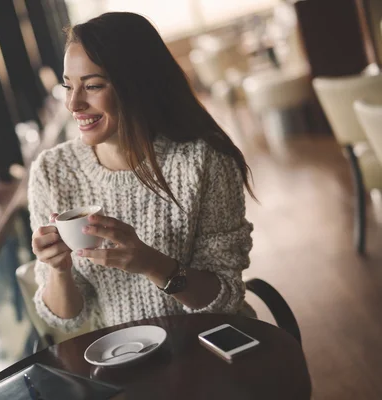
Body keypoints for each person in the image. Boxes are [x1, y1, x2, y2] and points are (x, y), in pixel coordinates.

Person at [28, 12, 256, 334]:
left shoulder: (204, 160)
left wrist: (151, 264)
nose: (74, 104)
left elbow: (224, 298)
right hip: (125, 358)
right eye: (68, 86)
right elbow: (64, 319)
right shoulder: (52, 172)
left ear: (137, 85)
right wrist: (59, 269)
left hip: (210, 346)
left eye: (92, 86)